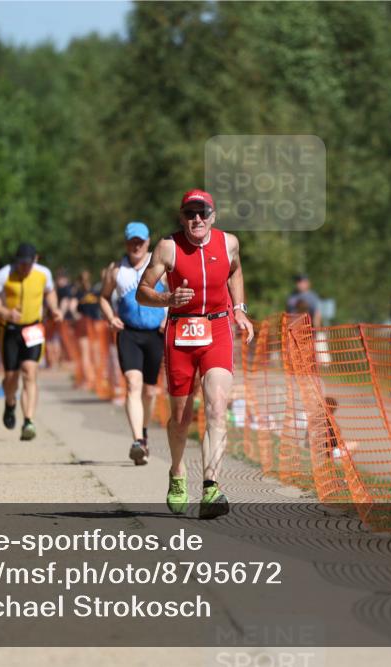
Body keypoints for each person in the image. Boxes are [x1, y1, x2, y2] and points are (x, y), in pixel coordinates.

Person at [137, 189, 254, 519]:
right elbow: (142, 293)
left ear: (213, 216)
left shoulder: (229, 243)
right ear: (182, 217)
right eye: (190, 214)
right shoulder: (168, 247)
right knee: (181, 418)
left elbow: (235, 272)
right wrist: (167, 299)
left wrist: (241, 310)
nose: (197, 219)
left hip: (217, 329)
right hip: (181, 332)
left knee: (217, 406)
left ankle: (211, 487)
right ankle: (176, 473)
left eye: (203, 213)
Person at [100, 221, 167, 466]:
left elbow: (176, 294)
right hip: (128, 333)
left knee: (150, 391)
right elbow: (104, 298)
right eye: (132, 241)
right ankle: (137, 440)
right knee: (132, 383)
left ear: (148, 242)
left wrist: (168, 319)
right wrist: (111, 317)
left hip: (155, 334)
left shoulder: (159, 265)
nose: (136, 246)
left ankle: (144, 431)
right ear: (126, 243)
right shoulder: (116, 270)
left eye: (140, 241)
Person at [0, 243, 64, 440]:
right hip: (9, 329)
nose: (24, 268)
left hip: (33, 328)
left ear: (35, 260)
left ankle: (28, 421)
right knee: (11, 377)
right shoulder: (4, 274)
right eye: (21, 263)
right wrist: (5, 313)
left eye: (28, 263)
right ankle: (10, 402)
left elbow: (50, 291)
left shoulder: (43, 274)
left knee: (30, 371)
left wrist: (53, 308)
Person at [71, 269, 101, 391]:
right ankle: (94, 379)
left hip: (84, 324)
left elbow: (72, 307)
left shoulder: (78, 293)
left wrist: (75, 316)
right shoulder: (95, 292)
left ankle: (88, 380)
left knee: (85, 354)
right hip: (95, 324)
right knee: (96, 353)